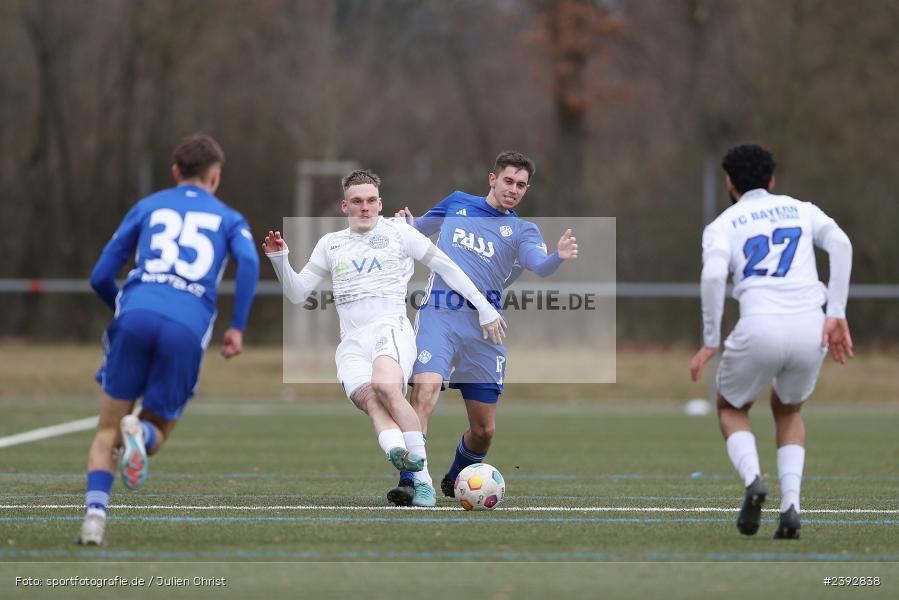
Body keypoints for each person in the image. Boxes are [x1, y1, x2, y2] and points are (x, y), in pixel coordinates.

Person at [263, 169, 505, 507]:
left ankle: (421, 484)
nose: (365, 207)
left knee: (387, 388)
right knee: (374, 403)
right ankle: (397, 452)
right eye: (357, 201)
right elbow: (296, 292)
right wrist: (279, 259)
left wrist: (484, 308)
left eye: (371, 201)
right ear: (344, 205)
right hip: (351, 344)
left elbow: (448, 267)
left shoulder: (400, 234)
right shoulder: (330, 244)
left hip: (390, 330)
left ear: (381, 203)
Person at [78, 134, 260, 545]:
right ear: (215, 177)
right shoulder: (229, 217)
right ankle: (139, 437)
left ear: (176, 172)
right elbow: (248, 261)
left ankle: (94, 519)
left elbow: (98, 277)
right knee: (156, 424)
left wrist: (127, 310)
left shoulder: (148, 205)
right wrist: (237, 326)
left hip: (137, 310)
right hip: (187, 324)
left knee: (106, 428)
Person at [389, 151, 578, 505]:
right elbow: (417, 232)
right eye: (508, 181)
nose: (513, 189)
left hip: (484, 330)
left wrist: (557, 256)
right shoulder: (457, 203)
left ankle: (453, 478)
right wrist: (405, 223)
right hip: (439, 316)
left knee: (483, 431)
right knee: (424, 394)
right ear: (492, 179)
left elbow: (539, 264)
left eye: (521, 185)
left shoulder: (523, 230)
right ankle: (411, 481)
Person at [690, 143, 853, 539]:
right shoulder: (803, 209)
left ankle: (752, 482)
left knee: (731, 407)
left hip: (758, 325)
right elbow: (842, 245)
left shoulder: (724, 224)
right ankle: (791, 507)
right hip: (809, 325)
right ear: (773, 180)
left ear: (730, 182)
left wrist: (711, 339)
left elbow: (713, 277)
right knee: (788, 410)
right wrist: (836, 312)